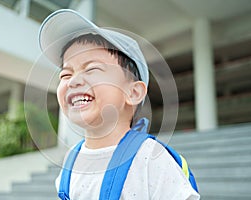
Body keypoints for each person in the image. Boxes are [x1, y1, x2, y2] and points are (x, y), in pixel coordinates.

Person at [38, 9, 200, 200]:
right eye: (65, 74)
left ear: (133, 92)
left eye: (92, 69)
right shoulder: (72, 160)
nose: (73, 81)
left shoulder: (150, 159)